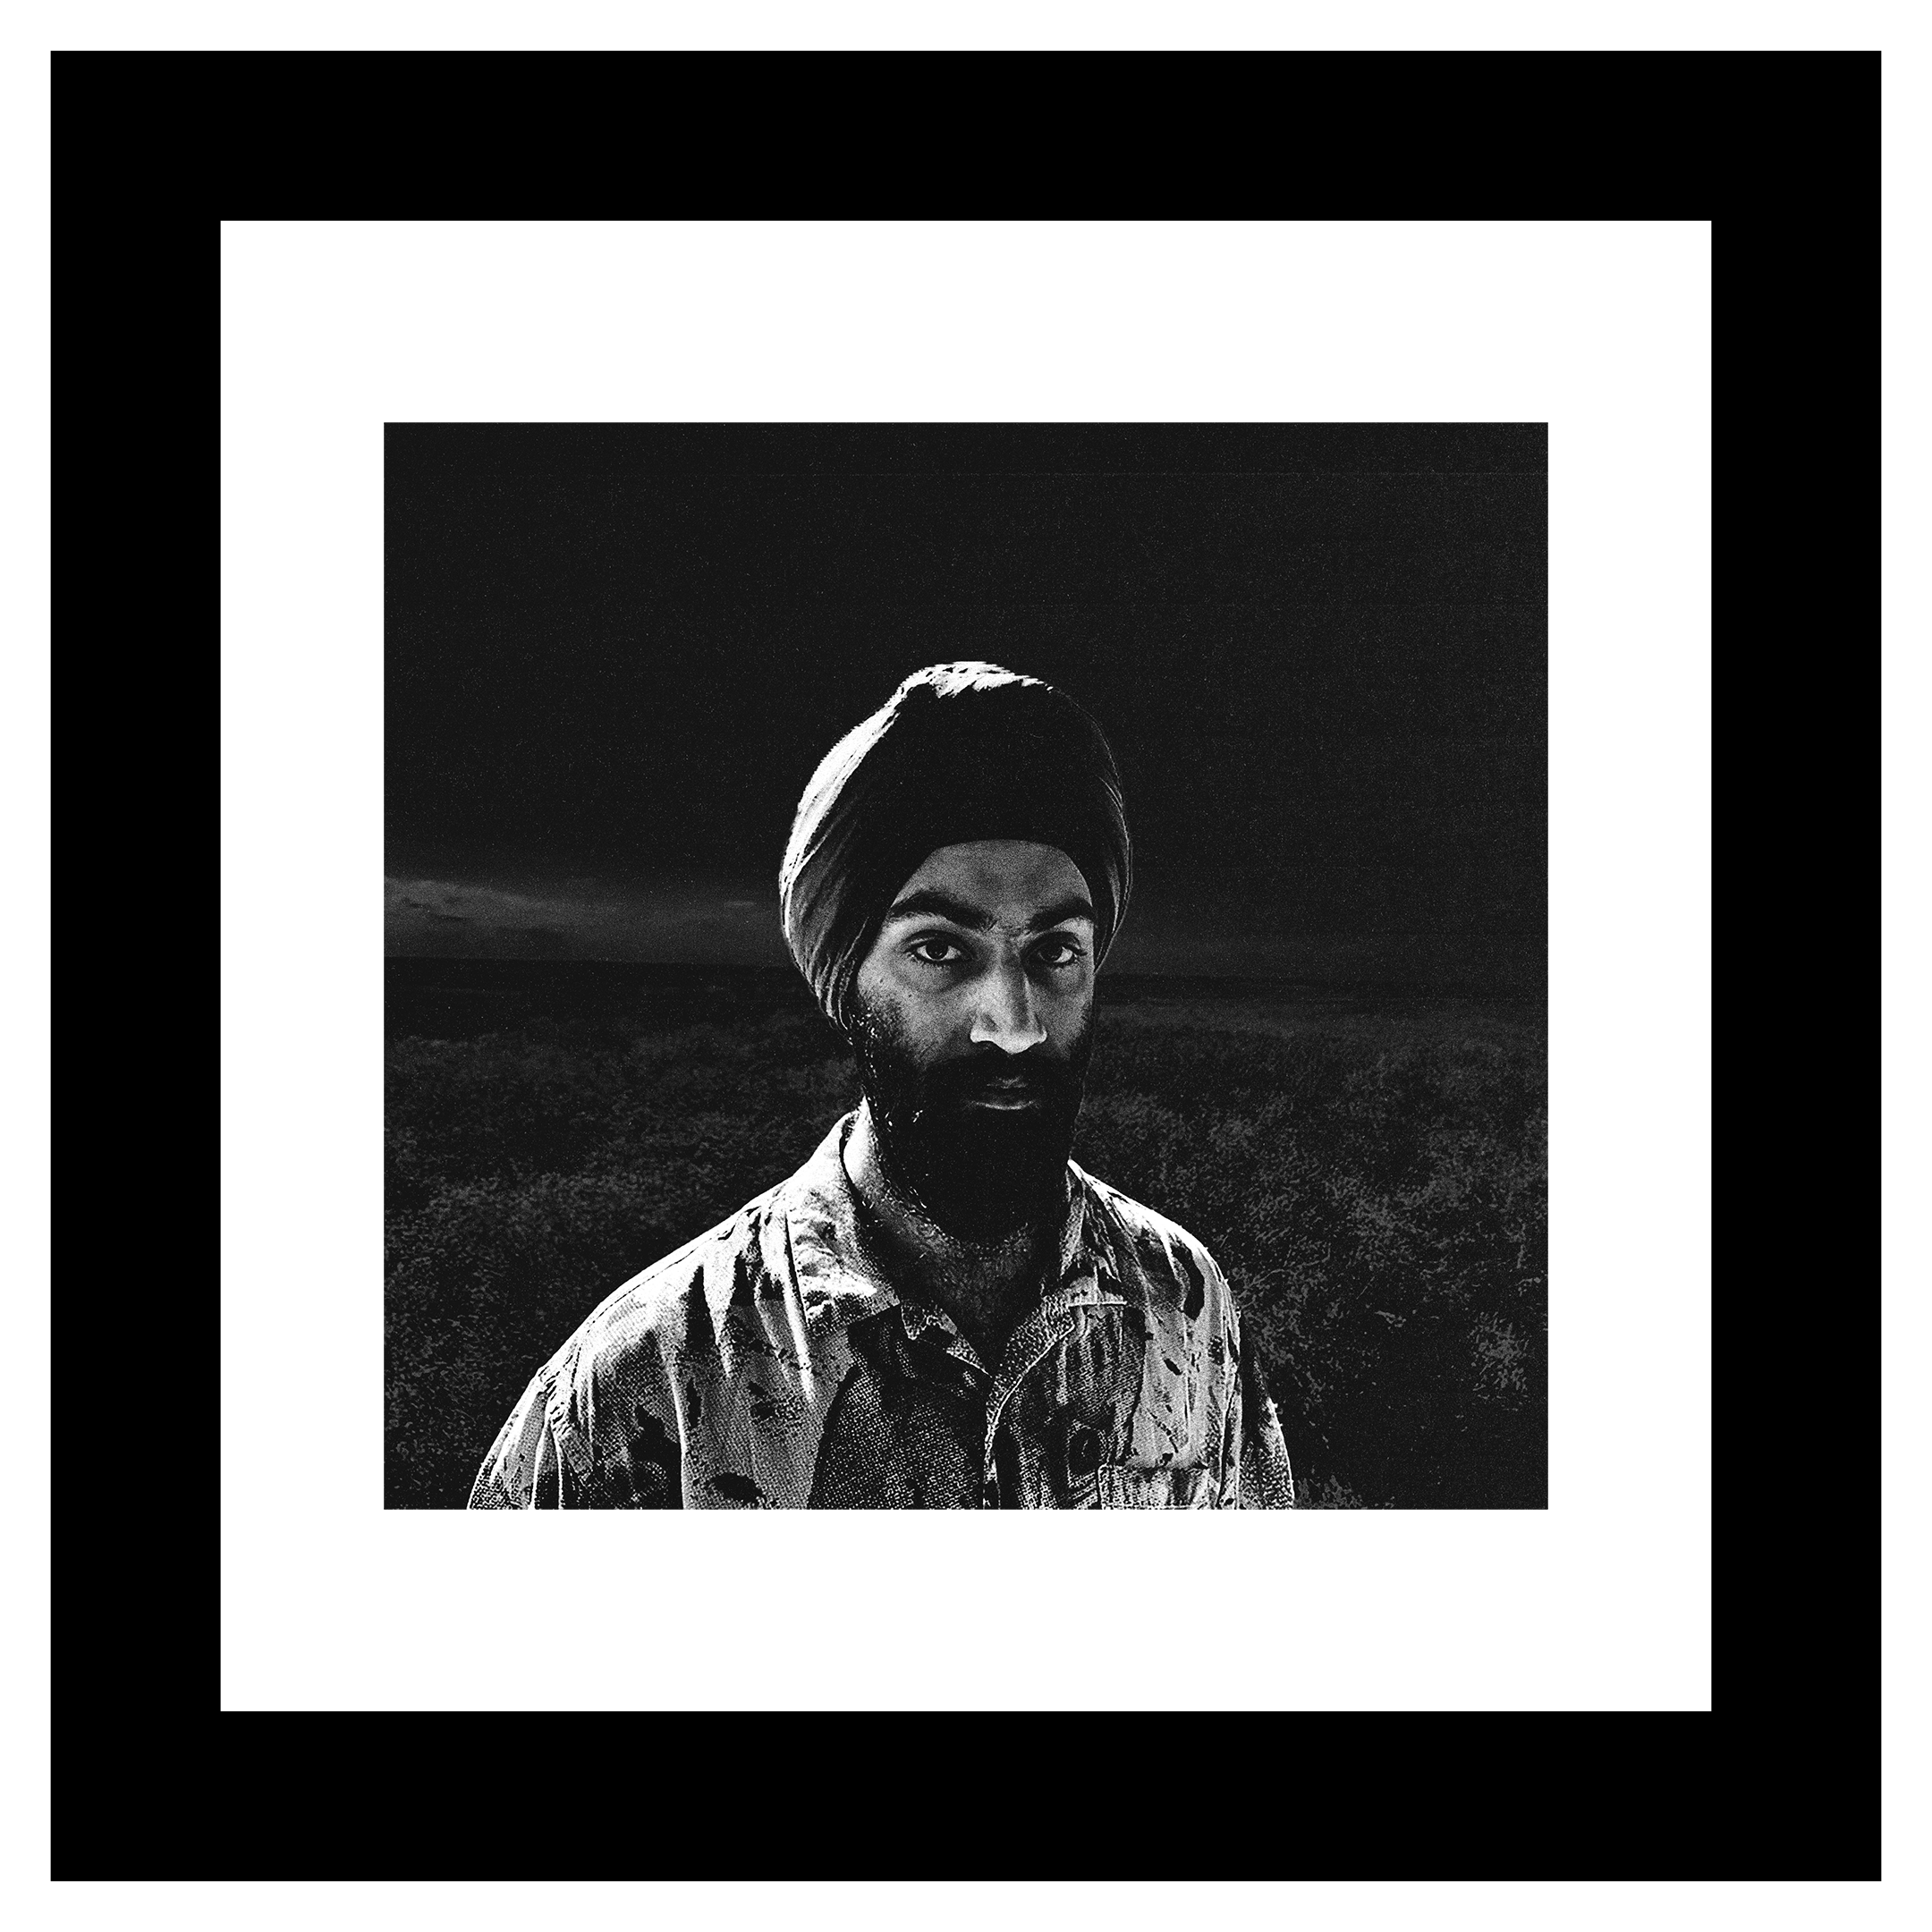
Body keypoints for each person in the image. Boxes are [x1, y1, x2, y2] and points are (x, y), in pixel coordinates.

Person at [469, 662, 1295, 1509]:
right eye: (940, 949)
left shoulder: (1181, 1303)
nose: (1013, 1024)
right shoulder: (645, 1384)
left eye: (1056, 951)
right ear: (847, 979)